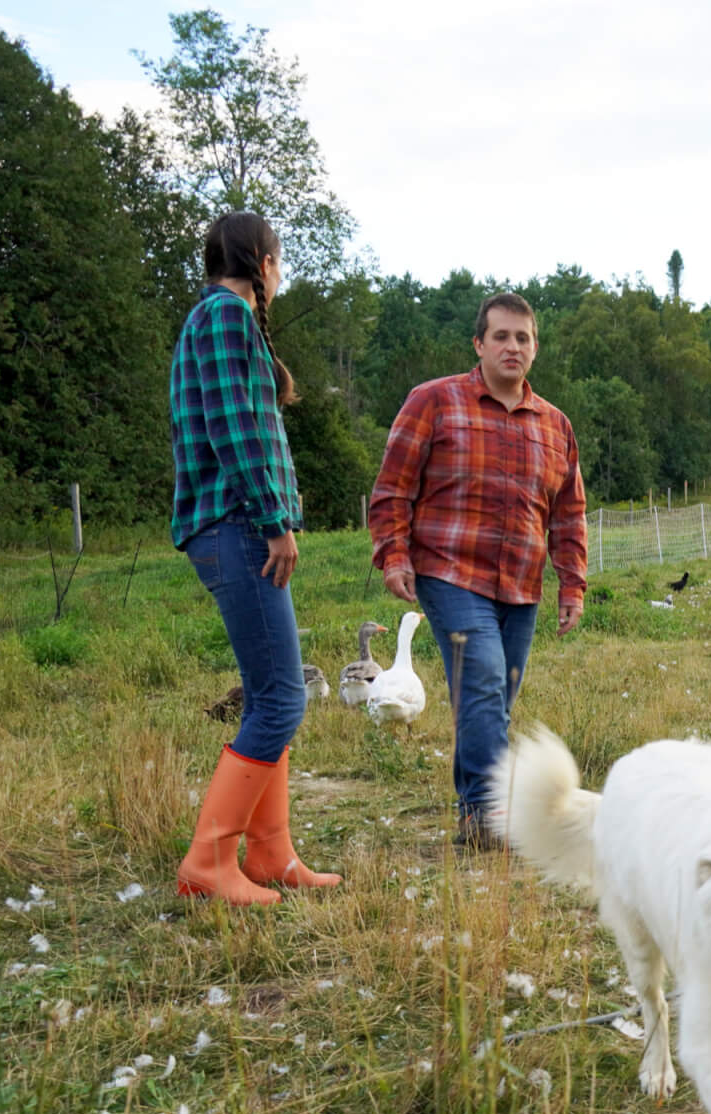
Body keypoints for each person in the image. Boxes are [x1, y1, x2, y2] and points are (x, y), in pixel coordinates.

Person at [368, 292, 588, 849]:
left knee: (493, 699)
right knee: (485, 686)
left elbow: (569, 511)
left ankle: (474, 812)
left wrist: (572, 583)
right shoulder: (434, 402)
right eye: (501, 336)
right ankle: (491, 818)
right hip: (450, 573)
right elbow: (393, 487)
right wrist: (394, 554)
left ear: (535, 348)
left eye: (523, 338)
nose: (512, 347)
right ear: (479, 344)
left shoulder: (555, 425)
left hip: (521, 583)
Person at [170, 211, 341, 903]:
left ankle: (271, 855)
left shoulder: (212, 318)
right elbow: (235, 429)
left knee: (272, 694)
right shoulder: (226, 317)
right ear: (262, 261)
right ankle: (208, 864)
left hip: (231, 526)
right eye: (281, 257)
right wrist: (275, 522)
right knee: (281, 699)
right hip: (238, 526)